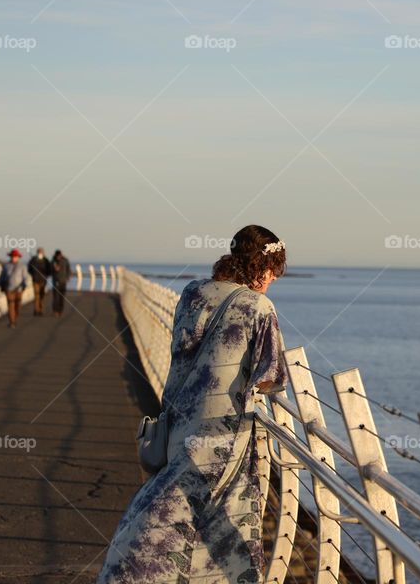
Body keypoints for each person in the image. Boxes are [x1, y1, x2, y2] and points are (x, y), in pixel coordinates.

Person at [98, 225, 288, 583]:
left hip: (179, 418)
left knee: (171, 503)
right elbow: (271, 377)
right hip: (223, 433)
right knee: (214, 518)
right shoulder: (258, 307)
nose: (272, 280)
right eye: (272, 270)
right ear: (260, 266)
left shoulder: (192, 292)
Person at [0, 249, 29, 328]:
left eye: (15, 256)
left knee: (18, 305)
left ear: (18, 257)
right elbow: (1, 277)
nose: (14, 258)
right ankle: (12, 322)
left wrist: (24, 285)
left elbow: (25, 277)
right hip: (9, 289)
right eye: (12, 256)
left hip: (19, 289)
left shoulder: (22, 266)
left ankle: (15, 317)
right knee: (10, 304)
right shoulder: (6, 266)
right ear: (10, 257)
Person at [27, 247, 52, 316]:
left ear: (43, 253)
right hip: (35, 280)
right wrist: (33, 275)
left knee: (42, 295)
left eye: (41, 252)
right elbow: (29, 268)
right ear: (37, 252)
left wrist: (46, 275)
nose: (40, 253)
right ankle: (36, 310)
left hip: (43, 280)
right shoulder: (33, 260)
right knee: (36, 295)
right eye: (39, 252)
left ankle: (40, 309)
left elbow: (49, 270)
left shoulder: (46, 260)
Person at [50, 249, 71, 317]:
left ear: (61, 255)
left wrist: (67, 277)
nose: (58, 257)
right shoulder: (53, 261)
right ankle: (55, 311)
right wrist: (54, 269)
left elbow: (68, 269)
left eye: (59, 256)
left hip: (63, 282)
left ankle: (60, 311)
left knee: (62, 298)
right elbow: (49, 270)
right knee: (55, 298)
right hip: (55, 281)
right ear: (55, 255)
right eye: (57, 256)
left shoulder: (65, 260)